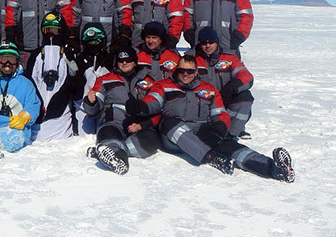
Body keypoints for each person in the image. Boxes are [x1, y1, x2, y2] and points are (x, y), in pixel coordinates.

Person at [126, 55, 295, 182]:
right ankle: (210, 157)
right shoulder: (164, 86)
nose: (185, 74)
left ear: (196, 72)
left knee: (230, 146)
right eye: (181, 70)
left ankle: (272, 169)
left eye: (190, 71)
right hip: (174, 136)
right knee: (171, 124)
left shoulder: (208, 89)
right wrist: (140, 107)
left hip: (200, 131)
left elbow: (220, 113)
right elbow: (152, 101)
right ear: (176, 71)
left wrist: (219, 129)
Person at [82, 47, 160, 175]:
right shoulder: (105, 79)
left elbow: (157, 107)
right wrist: (91, 102)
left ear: (135, 62)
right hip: (113, 122)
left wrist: (142, 125)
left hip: (138, 125)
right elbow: (94, 108)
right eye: (121, 60)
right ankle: (119, 160)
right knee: (108, 134)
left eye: (128, 60)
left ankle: (107, 150)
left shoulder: (149, 81)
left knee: (152, 142)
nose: (124, 63)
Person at [26, 13, 86, 142]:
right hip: (37, 119)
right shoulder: (36, 54)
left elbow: (77, 92)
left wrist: (74, 74)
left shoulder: (68, 54)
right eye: (47, 30)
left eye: (55, 30)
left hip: (60, 125)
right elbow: (29, 84)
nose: (51, 34)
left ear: (62, 31)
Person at [191, 26, 254, 139]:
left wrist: (231, 88)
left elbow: (247, 77)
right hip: (203, 104)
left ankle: (232, 134)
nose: (208, 46)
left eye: (211, 42)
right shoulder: (192, 59)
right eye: (204, 43)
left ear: (217, 42)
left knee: (245, 97)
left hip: (226, 101)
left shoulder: (229, 58)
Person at [67, 22, 114, 135]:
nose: (93, 45)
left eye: (96, 42)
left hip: (105, 110)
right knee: (83, 143)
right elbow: (72, 92)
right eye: (90, 42)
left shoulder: (110, 60)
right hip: (83, 111)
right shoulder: (78, 61)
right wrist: (73, 76)